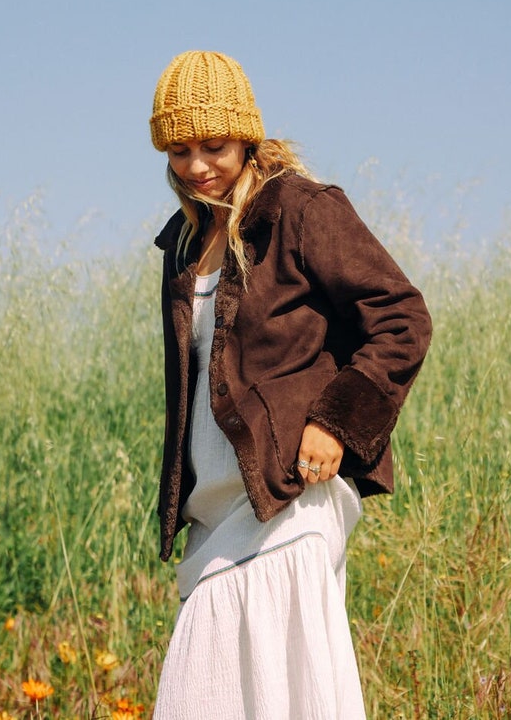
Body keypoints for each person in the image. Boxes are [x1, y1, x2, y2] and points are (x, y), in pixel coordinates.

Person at [149, 50, 432, 720]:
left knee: (290, 701)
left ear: (247, 135)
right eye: (179, 149)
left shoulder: (302, 210)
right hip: (215, 517)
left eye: (213, 145)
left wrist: (337, 421)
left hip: (289, 502)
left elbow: (401, 318)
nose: (197, 166)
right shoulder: (185, 247)